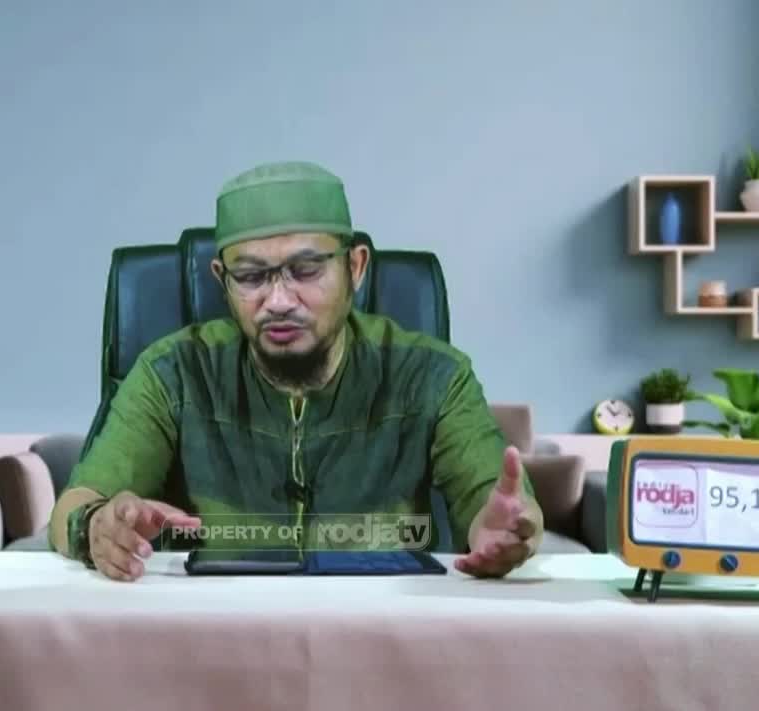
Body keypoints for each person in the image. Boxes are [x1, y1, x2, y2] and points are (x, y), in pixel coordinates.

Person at [50, 160, 544, 582]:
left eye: (306, 271)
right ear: (221, 280)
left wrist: (500, 530)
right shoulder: (173, 372)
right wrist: (95, 527)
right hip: (213, 636)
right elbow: (73, 505)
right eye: (250, 277)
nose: (279, 301)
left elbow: (497, 502)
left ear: (355, 267)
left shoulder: (432, 375)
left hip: (384, 633)